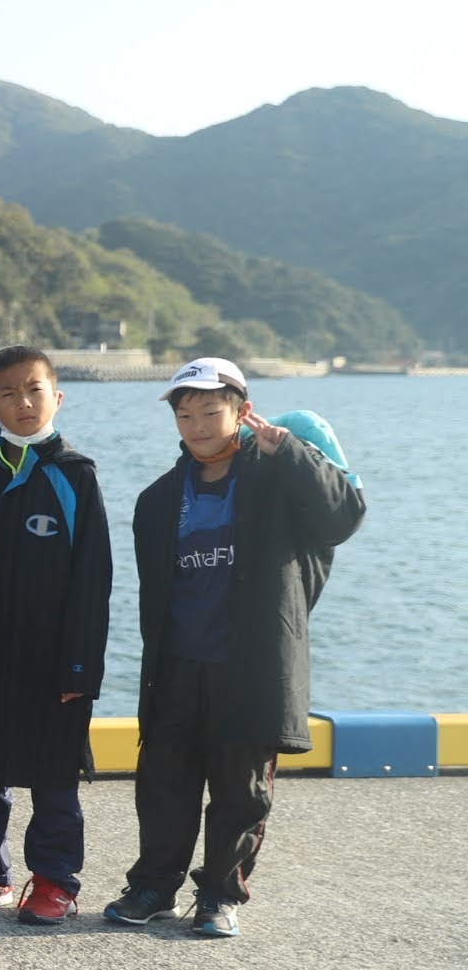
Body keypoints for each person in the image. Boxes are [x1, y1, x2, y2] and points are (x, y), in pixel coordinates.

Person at [104, 359, 366, 937]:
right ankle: (153, 887)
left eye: (210, 411)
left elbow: (342, 519)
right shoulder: (157, 499)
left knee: (240, 792)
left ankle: (220, 895)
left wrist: (290, 453)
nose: (197, 426)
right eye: (185, 415)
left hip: (250, 666)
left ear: (242, 411)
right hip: (177, 664)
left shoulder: (278, 480)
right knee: (164, 785)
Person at [0, 345, 111, 926]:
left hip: (54, 660)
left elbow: (94, 579)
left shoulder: (75, 475)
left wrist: (80, 668)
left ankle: (55, 881)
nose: (23, 402)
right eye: (8, 393)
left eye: (34, 389)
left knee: (54, 778)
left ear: (57, 397)